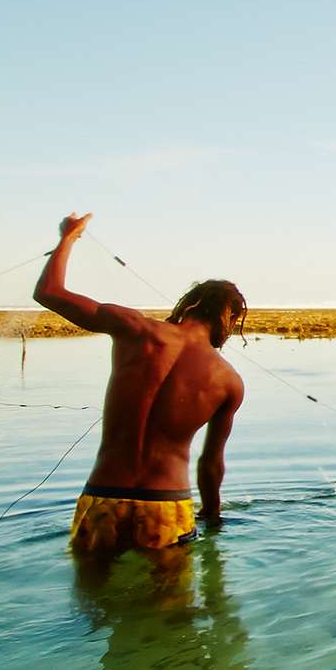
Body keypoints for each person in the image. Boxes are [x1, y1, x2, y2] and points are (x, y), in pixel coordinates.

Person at [33, 211, 246, 555]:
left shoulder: (135, 328)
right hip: (167, 506)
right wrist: (212, 514)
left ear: (189, 304)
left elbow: (48, 292)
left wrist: (69, 236)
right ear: (231, 319)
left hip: (103, 498)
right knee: (171, 610)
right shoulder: (229, 382)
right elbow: (210, 464)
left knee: (93, 607)